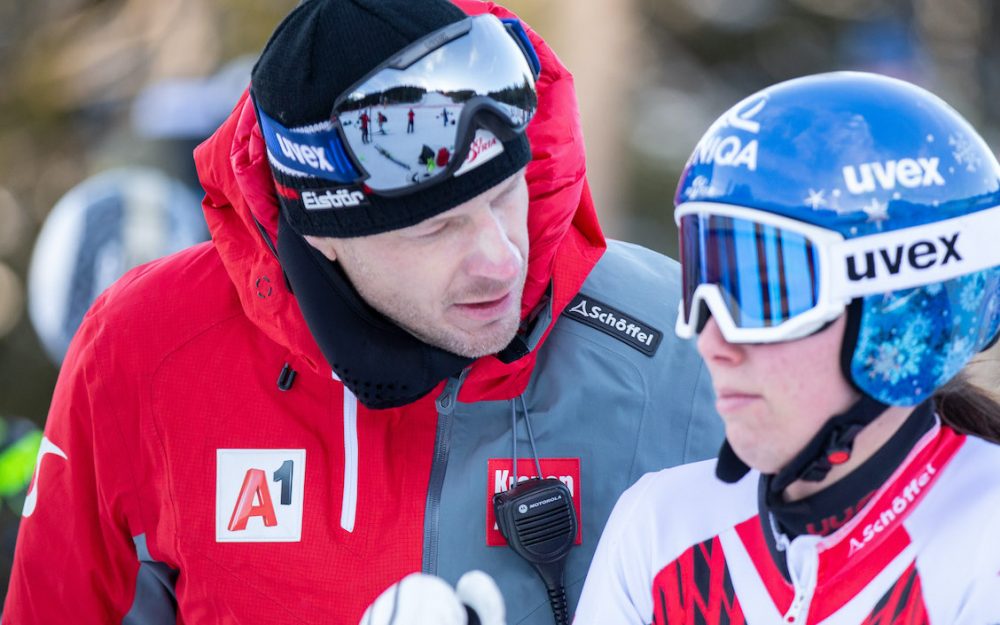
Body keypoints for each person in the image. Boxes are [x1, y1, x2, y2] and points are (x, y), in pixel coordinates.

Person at [2, 1, 722, 623]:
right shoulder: (142, 350)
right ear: (322, 234)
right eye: (436, 228)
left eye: (506, 197)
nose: (501, 259)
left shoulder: (677, 341)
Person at [575, 71, 1000, 624]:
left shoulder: (983, 544)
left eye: (764, 294)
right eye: (702, 285)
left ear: (899, 315)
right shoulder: (661, 528)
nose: (712, 340)